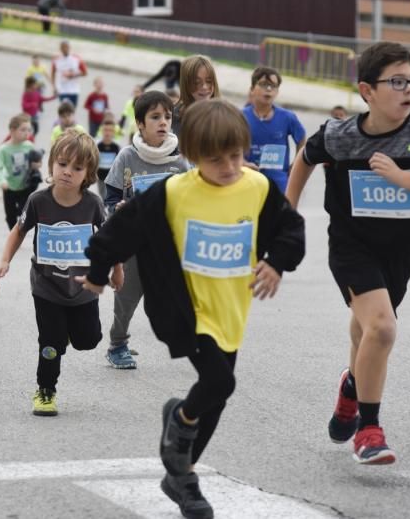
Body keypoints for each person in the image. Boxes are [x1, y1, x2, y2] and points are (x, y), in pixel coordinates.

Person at [82, 99, 305, 518]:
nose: (229, 166)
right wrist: (97, 273)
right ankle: (182, 425)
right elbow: (118, 232)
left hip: (231, 309)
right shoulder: (174, 192)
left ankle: (180, 475)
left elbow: (291, 227)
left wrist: (277, 262)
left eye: (236, 156)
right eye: (216, 159)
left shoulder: (256, 188)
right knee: (220, 383)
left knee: (216, 398)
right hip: (185, 308)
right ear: (192, 157)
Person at [286, 42, 410, 465]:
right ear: (367, 91)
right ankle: (369, 430)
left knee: (365, 330)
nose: (409, 90)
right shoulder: (340, 134)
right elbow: (306, 157)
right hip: (352, 247)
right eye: (397, 82)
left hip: (401, 253)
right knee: (382, 329)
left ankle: (352, 387)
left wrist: (405, 178)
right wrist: (287, 208)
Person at [0, 130, 123, 416]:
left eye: (77, 168)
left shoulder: (92, 205)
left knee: (88, 340)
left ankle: (68, 334)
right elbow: (18, 231)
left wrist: (117, 269)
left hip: (83, 289)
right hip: (46, 287)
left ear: (87, 173)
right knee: (50, 343)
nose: (67, 172)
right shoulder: (39, 201)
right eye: (62, 164)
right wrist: (4, 261)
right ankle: (46, 390)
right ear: (52, 164)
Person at [102, 91, 189, 370]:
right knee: (126, 298)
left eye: (167, 116)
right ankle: (117, 344)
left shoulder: (179, 160)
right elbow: (111, 196)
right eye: (155, 117)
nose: (163, 122)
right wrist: (119, 210)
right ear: (140, 123)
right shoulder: (128, 156)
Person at [242, 67, 306, 194]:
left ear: (277, 92)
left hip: (279, 186)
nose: (269, 89)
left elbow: (302, 140)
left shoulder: (287, 117)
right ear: (252, 89)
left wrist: (295, 167)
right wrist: (242, 163)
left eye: (273, 86)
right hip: (248, 182)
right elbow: (228, 146)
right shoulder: (240, 116)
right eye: (264, 84)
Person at [0, 114, 39, 230]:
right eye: (23, 130)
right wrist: (2, 181)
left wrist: (36, 165)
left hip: (25, 187)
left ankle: (20, 232)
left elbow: (37, 162)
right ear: (12, 131)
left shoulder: (29, 146)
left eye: (29, 130)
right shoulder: (4, 149)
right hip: (9, 187)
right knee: (10, 216)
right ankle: (13, 234)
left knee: (23, 211)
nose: (27, 133)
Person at [173, 55, 221, 134]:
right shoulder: (173, 116)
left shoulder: (224, 116)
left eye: (209, 81)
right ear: (186, 84)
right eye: (197, 82)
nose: (204, 87)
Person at [51, 40, 87, 108]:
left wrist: (73, 75)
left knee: (72, 111)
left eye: (66, 47)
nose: (65, 49)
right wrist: (54, 87)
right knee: (65, 111)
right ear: (60, 49)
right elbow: (53, 73)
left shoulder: (76, 59)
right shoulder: (56, 60)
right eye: (63, 47)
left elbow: (85, 73)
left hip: (74, 90)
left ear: (70, 47)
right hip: (62, 90)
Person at [95, 118, 121, 201]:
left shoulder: (116, 147)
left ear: (113, 132)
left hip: (112, 179)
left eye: (110, 130)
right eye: (105, 130)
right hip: (100, 177)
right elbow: (94, 161)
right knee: (102, 195)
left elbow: (119, 163)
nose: (107, 133)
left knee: (109, 198)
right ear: (102, 131)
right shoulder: (98, 146)